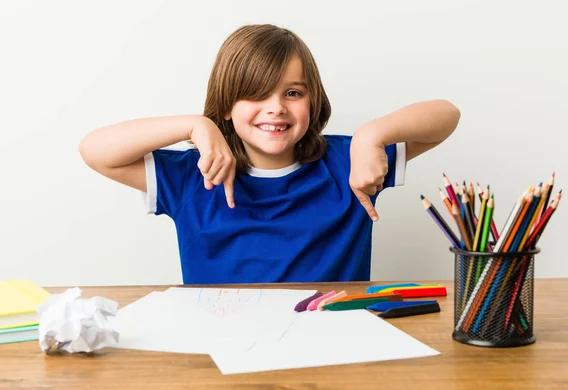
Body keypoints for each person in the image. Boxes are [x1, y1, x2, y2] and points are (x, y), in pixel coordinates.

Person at [79, 24, 460, 284]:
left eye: (292, 93)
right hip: (222, 351)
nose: (275, 107)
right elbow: (95, 150)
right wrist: (194, 125)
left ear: (313, 100)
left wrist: (371, 135)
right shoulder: (192, 176)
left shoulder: (350, 162)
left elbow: (447, 116)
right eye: (256, 93)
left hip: (333, 348)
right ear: (226, 105)